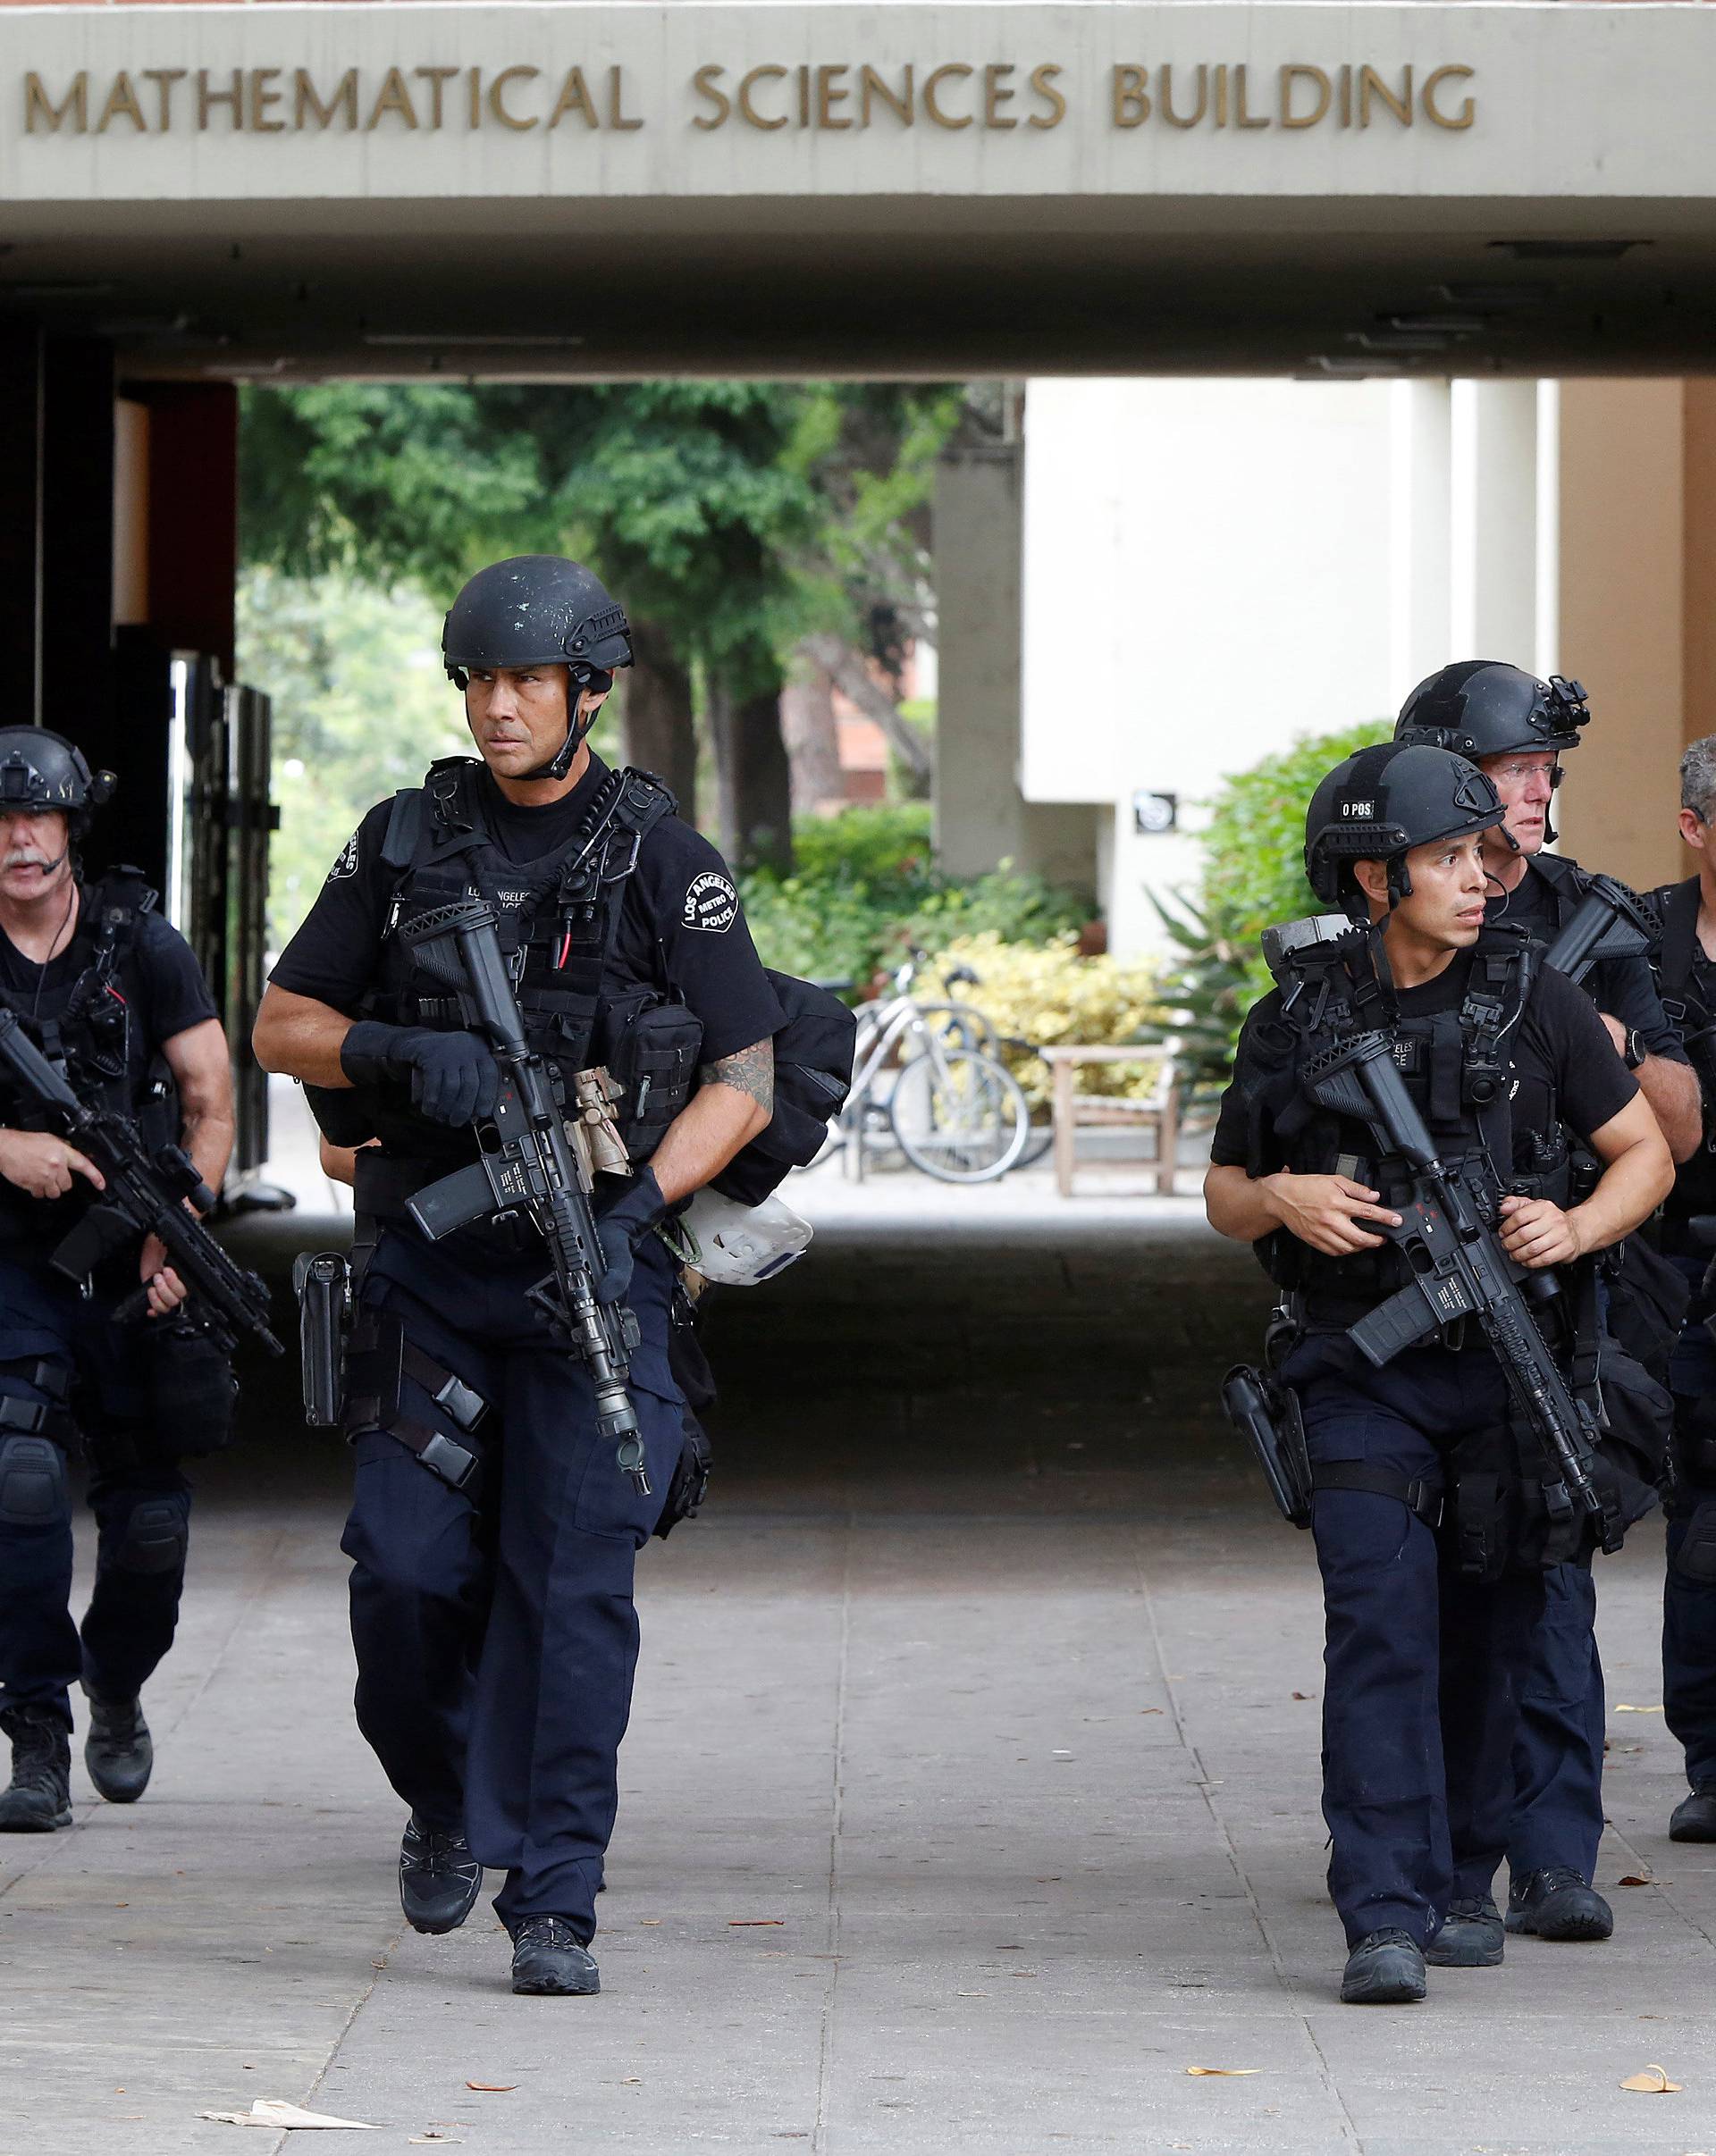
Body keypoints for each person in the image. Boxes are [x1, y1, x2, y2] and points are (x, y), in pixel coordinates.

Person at [253, 555, 786, 1998]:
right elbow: (281, 1022)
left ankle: (557, 1890)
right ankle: (441, 1793)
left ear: (587, 694)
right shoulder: (405, 840)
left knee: (575, 1586)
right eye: (481, 680)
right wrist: (382, 1051)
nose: (497, 706)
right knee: (405, 1578)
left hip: (589, 1280)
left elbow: (746, 1077)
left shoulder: (664, 860)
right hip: (430, 1270)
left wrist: (638, 1215)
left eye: (526, 682)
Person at [1206, 740, 1671, 2003]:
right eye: (1449, 858)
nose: (1480, 880)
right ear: (1374, 877)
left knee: (1493, 1631)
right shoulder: (1299, 1012)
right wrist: (1283, 1196)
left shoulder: (1538, 999)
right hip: (1360, 1368)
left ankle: (1467, 1875)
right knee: (1377, 1632)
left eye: (1485, 857)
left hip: (1510, 1381)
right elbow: (1222, 1194)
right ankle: (1384, 1911)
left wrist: (1573, 1228)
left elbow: (1645, 1154)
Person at [1396, 664, 1697, 1945]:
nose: (1537, 794)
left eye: (1544, 775)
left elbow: (1677, 1118)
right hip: (1418, 1291)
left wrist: (1588, 1038)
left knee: (1557, 1564)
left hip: (1566, 1284)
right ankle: (1437, 1849)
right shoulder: (1390, 916)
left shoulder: (1594, 922)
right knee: (1423, 1592)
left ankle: (1557, 1853)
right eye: (1516, 770)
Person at [0, 728, 236, 1829]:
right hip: (16, 1267)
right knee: (21, 1479)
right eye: (1, 822)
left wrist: (177, 1226)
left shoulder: (140, 941)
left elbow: (210, 1096)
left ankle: (118, 1683)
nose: (20, 840)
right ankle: (36, 1727)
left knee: (151, 1529)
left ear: (70, 828)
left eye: (38, 818)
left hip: (135, 1266)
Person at [1643, 734, 1716, 1840]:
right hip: (1681, 1266)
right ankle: (1712, 1752)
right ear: (1698, 828)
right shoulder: (1637, 940)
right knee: (1702, 1513)